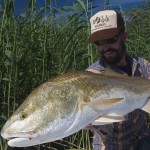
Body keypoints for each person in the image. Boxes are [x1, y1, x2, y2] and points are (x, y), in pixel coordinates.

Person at [86, 10, 150, 150]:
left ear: (124, 36)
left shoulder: (142, 65)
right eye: (99, 42)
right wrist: (84, 120)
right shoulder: (92, 77)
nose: (105, 47)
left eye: (111, 40)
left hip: (143, 139)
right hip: (111, 145)